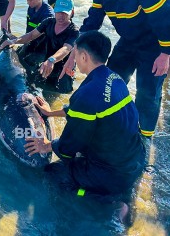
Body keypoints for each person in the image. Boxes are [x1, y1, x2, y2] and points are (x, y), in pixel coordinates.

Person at [25, 31, 146, 217]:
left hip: (113, 173)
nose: (74, 59)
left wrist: (45, 145)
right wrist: (50, 112)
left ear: (84, 56)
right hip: (134, 158)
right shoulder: (114, 78)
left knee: (54, 174)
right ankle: (119, 192)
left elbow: (69, 146)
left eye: (75, 54)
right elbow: (83, 109)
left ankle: (108, 201)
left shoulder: (88, 93)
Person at [61, 0, 170, 138]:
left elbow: (166, 23)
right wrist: (72, 57)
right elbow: (92, 23)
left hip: (156, 46)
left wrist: (165, 55)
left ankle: (143, 139)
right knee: (109, 81)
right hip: (128, 41)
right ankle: (106, 122)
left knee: (147, 94)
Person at [0, 0, 79, 93]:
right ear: (54, 9)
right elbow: (31, 35)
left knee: (63, 95)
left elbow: (66, 49)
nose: (61, 16)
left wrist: (52, 60)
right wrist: (14, 41)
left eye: (65, 13)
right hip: (47, 65)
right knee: (35, 88)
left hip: (64, 68)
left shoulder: (74, 31)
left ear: (72, 12)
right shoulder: (48, 22)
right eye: (58, 12)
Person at [16, 0, 54, 65]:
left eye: (30, 0)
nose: (28, 3)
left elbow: (41, 37)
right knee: (16, 56)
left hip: (43, 48)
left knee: (28, 64)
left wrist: (17, 41)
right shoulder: (31, 7)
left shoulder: (48, 14)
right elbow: (28, 28)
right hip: (31, 42)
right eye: (27, 0)